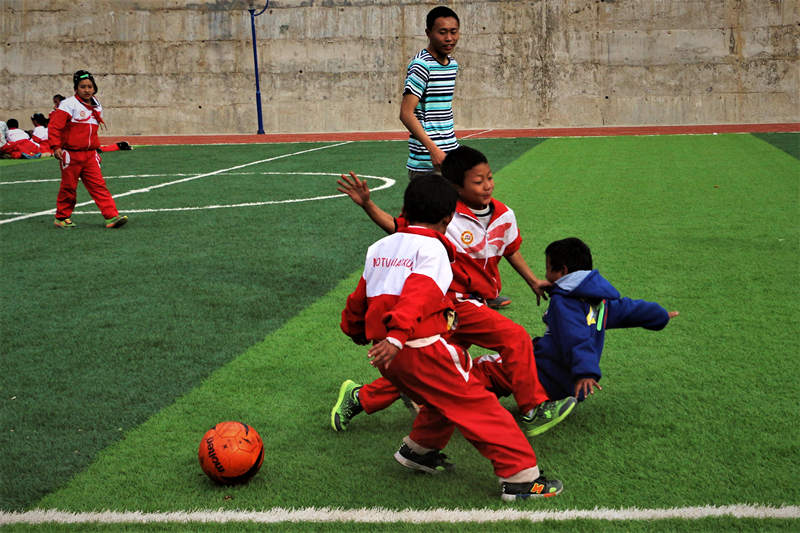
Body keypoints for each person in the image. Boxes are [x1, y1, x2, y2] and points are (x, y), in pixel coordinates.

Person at [340, 174, 563, 501]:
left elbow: (359, 299)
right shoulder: (434, 250)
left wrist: (358, 332)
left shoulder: (379, 248)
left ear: (405, 210)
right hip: (417, 347)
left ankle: (418, 451)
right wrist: (399, 336)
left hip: (389, 354)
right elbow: (419, 294)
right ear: (448, 219)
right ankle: (521, 478)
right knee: (478, 405)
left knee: (437, 398)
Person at [333, 145, 576, 436]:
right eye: (478, 181)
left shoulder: (504, 215)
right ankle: (533, 408)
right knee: (515, 338)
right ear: (456, 188)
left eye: (489, 177)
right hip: (454, 303)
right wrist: (368, 205)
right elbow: (401, 230)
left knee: (427, 370)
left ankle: (359, 399)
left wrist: (533, 280)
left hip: (466, 307)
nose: (487, 185)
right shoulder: (442, 213)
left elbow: (510, 250)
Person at [475, 237, 679, 403]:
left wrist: (586, 372)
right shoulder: (599, 300)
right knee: (524, 353)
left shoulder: (564, 303)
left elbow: (575, 336)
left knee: (489, 367)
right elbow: (628, 310)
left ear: (562, 271)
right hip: (572, 382)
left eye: (548, 268)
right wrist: (659, 315)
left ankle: (467, 400)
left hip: (550, 375)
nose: (546, 274)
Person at [48, 70, 128, 229]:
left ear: (94, 88)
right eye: (82, 87)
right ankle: (62, 217)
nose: (87, 90)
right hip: (71, 154)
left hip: (90, 155)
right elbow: (55, 127)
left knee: (99, 186)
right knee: (69, 188)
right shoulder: (68, 104)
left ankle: (111, 217)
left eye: (90, 87)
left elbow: (92, 131)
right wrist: (55, 146)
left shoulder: (96, 105)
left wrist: (95, 149)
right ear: (76, 88)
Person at [400, 6, 461, 180]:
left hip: (450, 156)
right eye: (442, 32)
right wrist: (433, 150)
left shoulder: (452, 64)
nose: (449, 38)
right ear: (428, 33)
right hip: (427, 163)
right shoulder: (421, 65)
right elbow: (406, 113)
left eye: (453, 32)